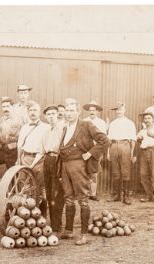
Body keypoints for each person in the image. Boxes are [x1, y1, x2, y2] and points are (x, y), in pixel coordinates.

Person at [58, 99, 109, 245]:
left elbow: (104, 140)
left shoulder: (86, 124)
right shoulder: (65, 127)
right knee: (68, 197)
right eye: (66, 110)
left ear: (78, 112)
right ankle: (69, 230)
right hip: (65, 165)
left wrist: (90, 154)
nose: (68, 113)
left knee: (83, 199)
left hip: (79, 165)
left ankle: (84, 234)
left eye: (72, 110)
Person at [17, 101, 50, 215]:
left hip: (39, 160)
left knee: (40, 187)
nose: (33, 113)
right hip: (25, 158)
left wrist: (32, 165)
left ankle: (41, 215)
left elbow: (43, 149)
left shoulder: (46, 127)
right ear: (27, 113)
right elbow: (20, 145)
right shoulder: (24, 127)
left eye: (35, 110)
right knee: (25, 186)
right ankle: (25, 213)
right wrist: (19, 160)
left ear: (40, 112)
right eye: (30, 110)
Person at [106, 102, 137, 204]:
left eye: (121, 109)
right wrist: (108, 152)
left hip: (125, 145)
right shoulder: (113, 123)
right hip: (114, 146)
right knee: (115, 171)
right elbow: (109, 140)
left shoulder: (130, 123)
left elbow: (133, 139)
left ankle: (126, 196)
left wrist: (132, 152)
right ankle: (117, 195)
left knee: (125, 171)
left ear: (124, 110)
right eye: (117, 110)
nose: (119, 111)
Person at [42, 105, 65, 233]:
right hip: (47, 159)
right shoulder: (46, 130)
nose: (51, 116)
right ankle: (53, 223)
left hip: (58, 159)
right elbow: (44, 147)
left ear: (57, 115)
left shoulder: (63, 128)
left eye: (53, 114)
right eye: (48, 114)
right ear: (45, 117)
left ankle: (57, 225)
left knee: (57, 193)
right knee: (49, 193)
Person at [136, 112, 154, 206]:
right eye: (145, 119)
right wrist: (139, 139)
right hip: (144, 152)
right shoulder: (142, 130)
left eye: (149, 118)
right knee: (143, 175)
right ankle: (149, 196)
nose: (147, 120)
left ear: (153, 120)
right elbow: (139, 140)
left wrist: (151, 134)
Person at [82, 100, 108, 201]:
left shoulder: (101, 123)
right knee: (84, 170)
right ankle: (84, 192)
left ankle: (93, 193)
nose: (92, 112)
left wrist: (98, 150)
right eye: (90, 110)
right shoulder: (84, 121)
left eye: (94, 110)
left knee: (94, 172)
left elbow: (103, 138)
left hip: (96, 149)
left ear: (97, 111)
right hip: (85, 149)